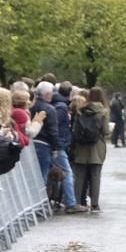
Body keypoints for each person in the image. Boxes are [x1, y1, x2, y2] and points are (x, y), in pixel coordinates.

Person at [71, 87, 111, 212]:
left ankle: (77, 202)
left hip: (81, 147)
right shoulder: (103, 112)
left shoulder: (81, 110)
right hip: (97, 148)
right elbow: (105, 131)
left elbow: (75, 129)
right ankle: (94, 204)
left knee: (79, 177)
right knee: (95, 177)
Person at [51, 83, 82, 212]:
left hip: (58, 144)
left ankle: (62, 200)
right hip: (59, 145)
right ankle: (70, 203)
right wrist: (59, 144)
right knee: (67, 173)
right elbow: (55, 126)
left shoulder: (57, 105)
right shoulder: (61, 107)